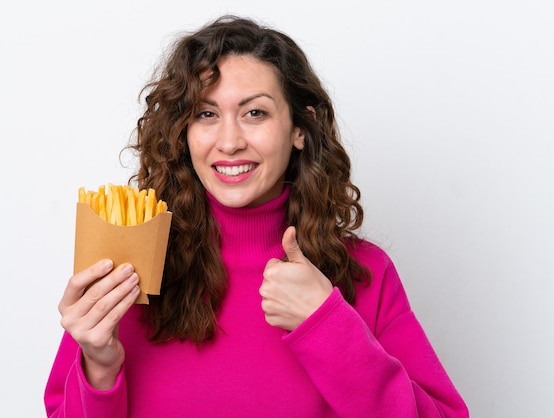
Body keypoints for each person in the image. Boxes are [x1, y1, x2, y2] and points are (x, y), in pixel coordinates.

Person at [44, 15, 469, 417]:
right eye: (206, 114)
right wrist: (99, 368)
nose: (229, 142)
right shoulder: (130, 267)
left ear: (301, 128)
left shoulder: (365, 275)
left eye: (255, 113)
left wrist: (328, 326)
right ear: (183, 132)